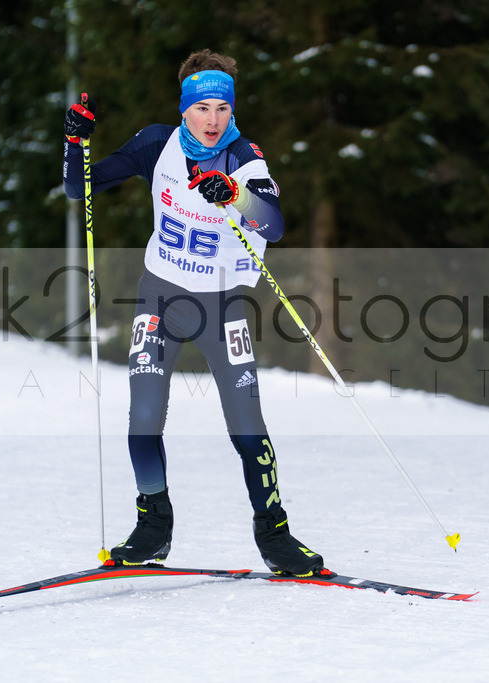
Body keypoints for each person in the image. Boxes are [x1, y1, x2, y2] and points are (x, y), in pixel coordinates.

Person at [62, 49, 324, 576]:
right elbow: (79, 186)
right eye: (202, 108)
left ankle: (275, 537)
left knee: (246, 425)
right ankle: (153, 526)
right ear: (184, 109)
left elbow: (273, 224)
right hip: (159, 295)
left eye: (222, 109)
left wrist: (235, 196)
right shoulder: (156, 143)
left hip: (221, 306)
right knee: (142, 417)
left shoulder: (244, 158)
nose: (212, 120)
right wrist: (75, 143)